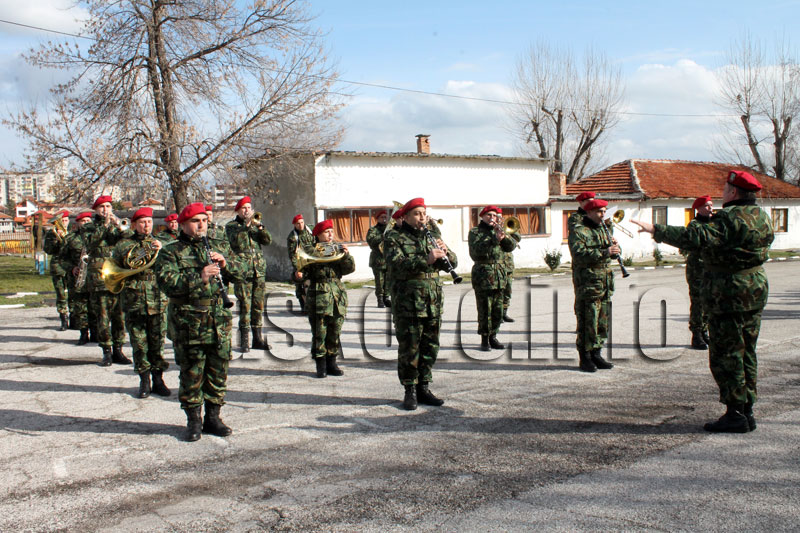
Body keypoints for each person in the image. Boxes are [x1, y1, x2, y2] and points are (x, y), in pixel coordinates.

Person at [632, 170, 774, 433]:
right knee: (747, 351)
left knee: (726, 354)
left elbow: (694, 238)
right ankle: (747, 409)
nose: (722, 191)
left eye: (725, 187)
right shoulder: (762, 216)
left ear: (733, 192)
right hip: (754, 290)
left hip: (729, 294)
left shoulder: (728, 218)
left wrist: (655, 229)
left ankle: (735, 414)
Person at [155, 202, 245, 441]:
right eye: (196, 221)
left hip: (218, 322)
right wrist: (200, 277)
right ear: (184, 224)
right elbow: (167, 284)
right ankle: (193, 420)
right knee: (191, 373)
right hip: (189, 323)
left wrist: (226, 265)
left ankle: (213, 417)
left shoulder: (217, 246)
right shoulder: (170, 251)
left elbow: (242, 272)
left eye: (204, 221)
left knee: (218, 371)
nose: (201, 225)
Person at [384, 197, 457, 410]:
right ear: (405, 216)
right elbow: (396, 265)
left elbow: (453, 262)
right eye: (416, 213)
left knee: (430, 346)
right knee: (409, 347)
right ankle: (410, 390)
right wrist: (425, 260)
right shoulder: (394, 237)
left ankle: (424, 387)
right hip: (408, 302)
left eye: (424, 213)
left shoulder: (432, 236)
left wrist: (446, 253)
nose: (422, 217)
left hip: (432, 301)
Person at [112, 207, 171, 399]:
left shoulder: (162, 242)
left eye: (149, 222)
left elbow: (169, 264)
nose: (146, 226)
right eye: (142, 222)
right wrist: (146, 250)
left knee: (157, 343)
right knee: (139, 344)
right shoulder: (124, 244)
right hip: (134, 301)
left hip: (158, 299)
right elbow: (126, 263)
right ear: (134, 225)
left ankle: (159, 379)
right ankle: (144, 380)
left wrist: (160, 251)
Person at [568, 198, 617, 372]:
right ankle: (585, 357)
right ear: (588, 212)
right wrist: (605, 252)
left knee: (602, 321)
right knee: (588, 320)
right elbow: (579, 254)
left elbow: (607, 254)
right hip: (588, 283)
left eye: (604, 211)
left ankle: (597, 353)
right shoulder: (580, 230)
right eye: (599, 212)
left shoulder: (605, 229)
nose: (603, 214)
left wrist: (614, 250)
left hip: (604, 282)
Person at [302, 219, 356, 378]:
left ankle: (332, 362)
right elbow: (302, 270)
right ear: (318, 234)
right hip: (319, 293)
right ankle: (321, 364)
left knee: (335, 330)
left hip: (336, 294)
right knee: (320, 331)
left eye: (332, 231)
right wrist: (298, 276)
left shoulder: (337, 249)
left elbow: (349, 269)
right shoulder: (310, 250)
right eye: (327, 232)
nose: (331, 234)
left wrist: (346, 256)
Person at [83, 195, 130, 366]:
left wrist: (119, 227)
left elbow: (128, 238)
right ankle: (106, 351)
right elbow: (90, 243)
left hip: (117, 275)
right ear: (95, 210)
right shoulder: (89, 227)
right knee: (103, 316)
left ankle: (118, 349)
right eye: (101, 207)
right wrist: (104, 226)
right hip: (99, 277)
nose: (105, 210)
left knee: (120, 316)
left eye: (108, 206)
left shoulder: (115, 225)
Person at [226, 196, 272, 352]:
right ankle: (244, 341)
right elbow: (235, 242)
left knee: (258, 305)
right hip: (242, 270)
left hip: (258, 270)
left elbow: (267, 241)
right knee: (245, 305)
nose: (247, 211)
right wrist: (246, 225)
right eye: (243, 208)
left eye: (248, 208)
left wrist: (260, 228)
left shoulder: (255, 225)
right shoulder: (232, 226)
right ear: (238, 210)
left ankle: (257, 339)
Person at [468, 205, 516, 351]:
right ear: (482, 216)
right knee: (484, 309)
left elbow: (511, 246)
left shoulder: (499, 230)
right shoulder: (475, 232)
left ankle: (493, 336)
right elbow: (476, 252)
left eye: (494, 216)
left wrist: (504, 236)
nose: (492, 218)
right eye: (488, 215)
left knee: (497, 310)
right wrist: (494, 240)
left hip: (500, 276)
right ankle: (484, 339)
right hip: (483, 275)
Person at [683, 195, 713, 350]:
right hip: (697, 269)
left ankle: (705, 330)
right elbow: (694, 244)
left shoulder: (714, 223)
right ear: (699, 208)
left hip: (711, 269)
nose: (711, 208)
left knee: (708, 302)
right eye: (707, 206)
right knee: (698, 303)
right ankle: (696, 334)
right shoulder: (694, 225)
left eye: (711, 205)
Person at [62, 211, 95, 344]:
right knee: (81, 308)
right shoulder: (70, 238)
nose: (86, 223)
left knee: (95, 306)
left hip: (95, 277)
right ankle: (83, 333)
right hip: (78, 278)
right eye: (83, 221)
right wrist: (71, 268)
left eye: (88, 221)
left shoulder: (97, 237)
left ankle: (96, 333)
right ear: (78, 223)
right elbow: (62, 258)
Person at [43, 210, 71, 331]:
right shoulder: (51, 233)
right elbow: (48, 250)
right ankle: (63, 319)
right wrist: (56, 239)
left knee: (75, 293)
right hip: (58, 266)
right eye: (61, 221)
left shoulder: (72, 233)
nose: (63, 223)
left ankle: (75, 318)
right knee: (61, 294)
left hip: (72, 266)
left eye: (65, 221)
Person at [497, 208, 521, 323]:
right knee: (498, 292)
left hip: (508, 265)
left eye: (500, 216)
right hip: (497, 266)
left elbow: (518, 239)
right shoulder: (492, 230)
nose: (497, 218)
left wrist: (507, 230)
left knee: (508, 291)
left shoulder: (507, 229)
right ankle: (497, 314)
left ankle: (505, 313)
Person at [286, 214, 314, 313]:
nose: (301, 225)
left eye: (302, 222)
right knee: (300, 286)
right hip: (300, 263)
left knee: (313, 284)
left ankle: (313, 306)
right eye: (298, 223)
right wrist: (298, 269)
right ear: (294, 224)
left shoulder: (311, 230)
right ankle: (304, 306)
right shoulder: (292, 237)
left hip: (312, 262)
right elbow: (292, 255)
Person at [366, 210, 391, 308]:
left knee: (388, 280)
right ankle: (380, 299)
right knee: (379, 281)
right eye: (382, 217)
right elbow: (371, 241)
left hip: (388, 259)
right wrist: (383, 236)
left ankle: (386, 298)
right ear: (377, 219)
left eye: (385, 217)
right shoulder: (373, 230)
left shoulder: (390, 230)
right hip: (378, 260)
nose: (384, 219)